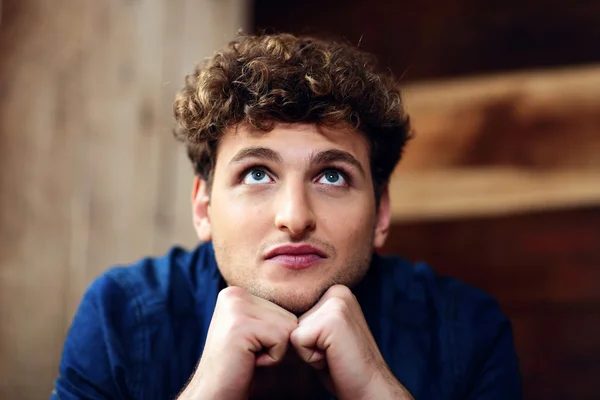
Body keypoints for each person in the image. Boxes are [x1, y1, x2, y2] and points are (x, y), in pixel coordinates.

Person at [52, 33, 521, 400]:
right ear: (203, 207)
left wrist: (377, 389)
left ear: (380, 213)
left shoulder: (467, 329)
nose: (295, 218)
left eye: (332, 177)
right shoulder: (119, 317)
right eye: (257, 174)